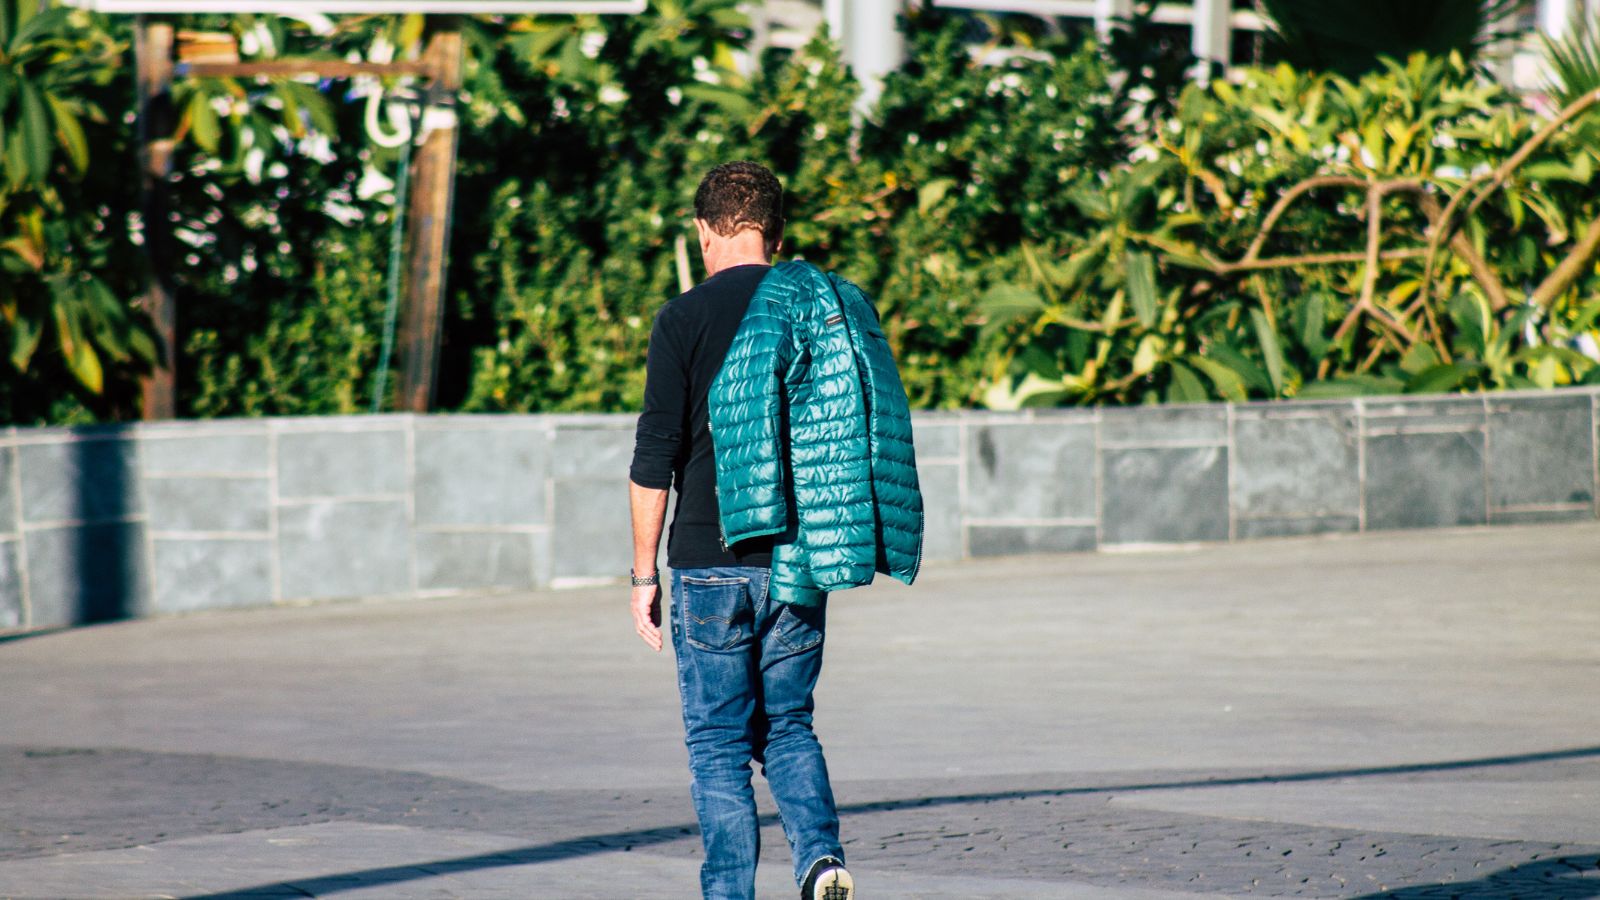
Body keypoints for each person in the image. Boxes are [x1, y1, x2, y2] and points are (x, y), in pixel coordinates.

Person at [628, 161, 854, 900]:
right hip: (799, 558)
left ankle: (730, 893)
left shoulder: (682, 319)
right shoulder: (814, 311)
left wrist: (642, 576)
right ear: (777, 236)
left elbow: (653, 457)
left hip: (706, 561)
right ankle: (821, 859)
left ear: (704, 230)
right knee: (789, 724)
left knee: (719, 744)